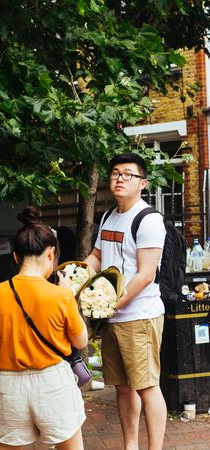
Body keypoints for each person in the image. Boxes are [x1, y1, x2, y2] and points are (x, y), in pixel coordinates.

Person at [0, 206, 88, 450]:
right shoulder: (61, 296)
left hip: (8, 385)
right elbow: (81, 341)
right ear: (51, 254)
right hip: (53, 383)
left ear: (15, 257)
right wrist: (69, 294)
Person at [85, 152, 167, 450]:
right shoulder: (108, 216)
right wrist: (75, 277)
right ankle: (129, 446)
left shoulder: (149, 219)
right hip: (112, 316)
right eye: (115, 173)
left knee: (147, 386)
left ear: (142, 182)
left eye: (128, 174)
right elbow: (97, 257)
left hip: (139, 315)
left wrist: (110, 304)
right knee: (122, 387)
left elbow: (145, 274)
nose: (120, 178)